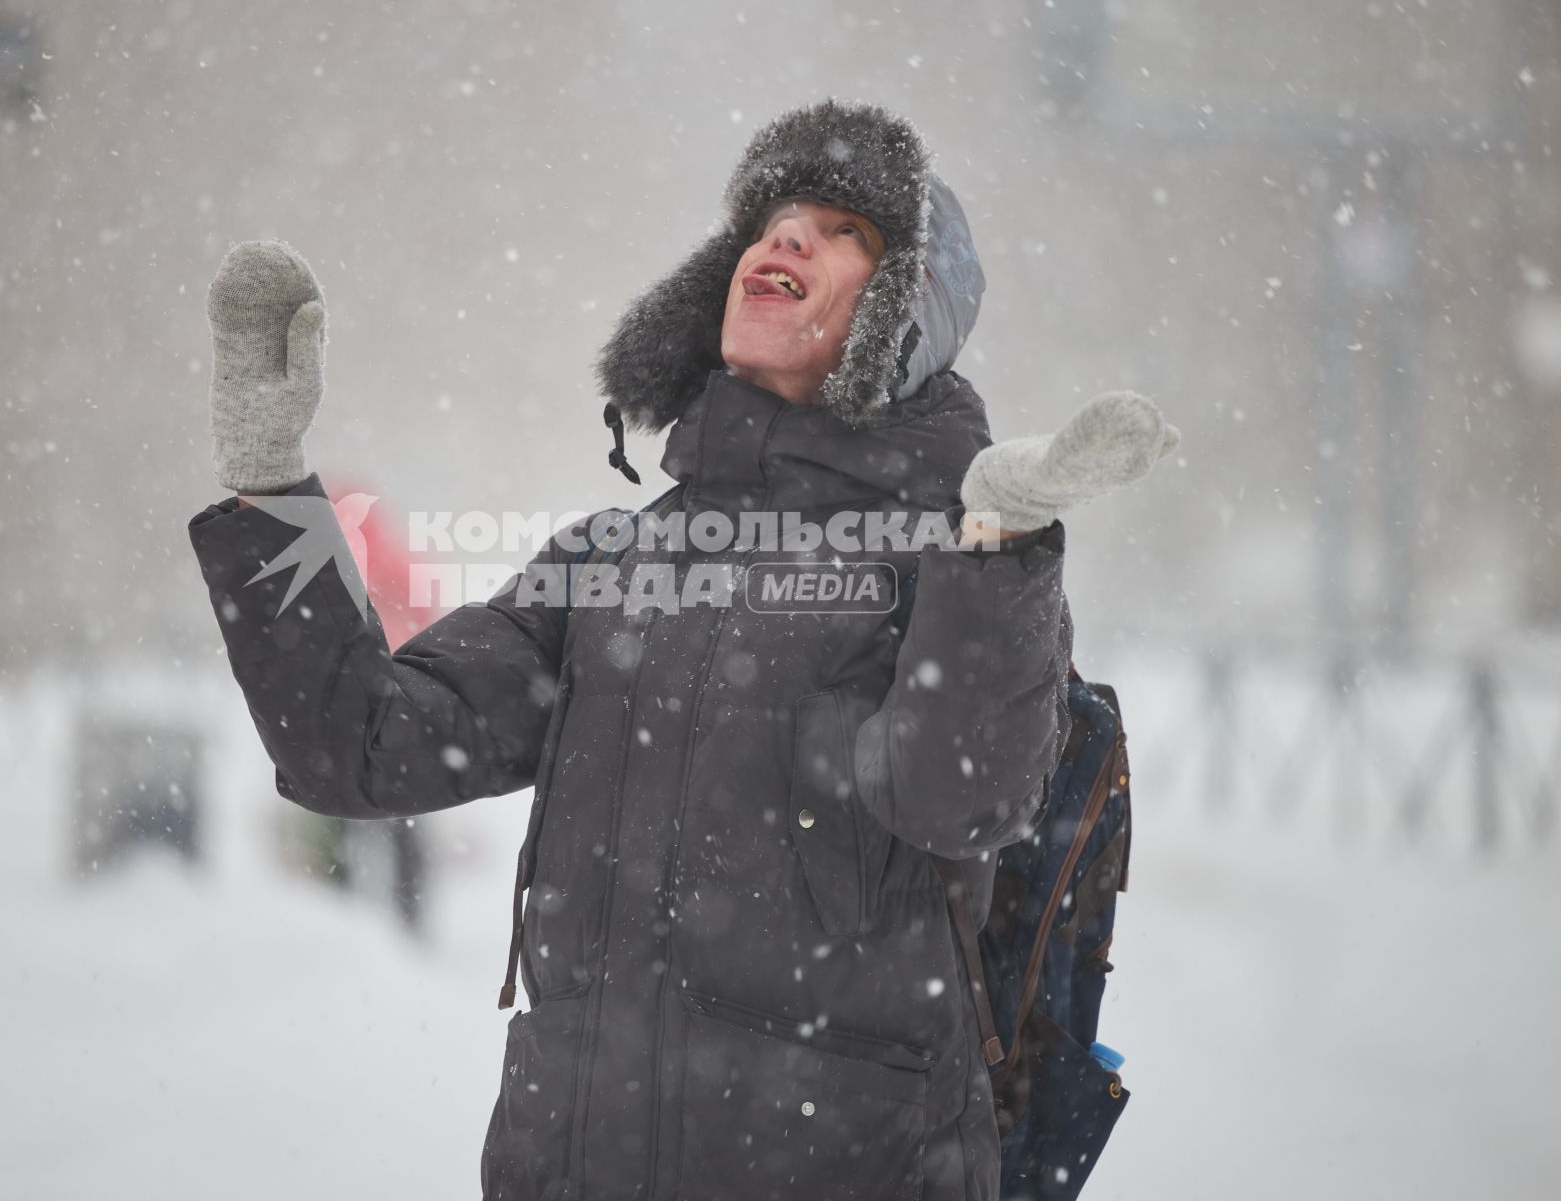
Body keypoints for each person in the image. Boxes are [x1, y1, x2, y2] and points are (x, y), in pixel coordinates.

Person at [188, 99, 1177, 1201]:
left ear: (906, 317)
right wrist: (267, 483)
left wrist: (997, 540)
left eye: (843, 228)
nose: (784, 238)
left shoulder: (946, 565)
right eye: (771, 219)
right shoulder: (611, 562)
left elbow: (959, 800)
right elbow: (359, 748)